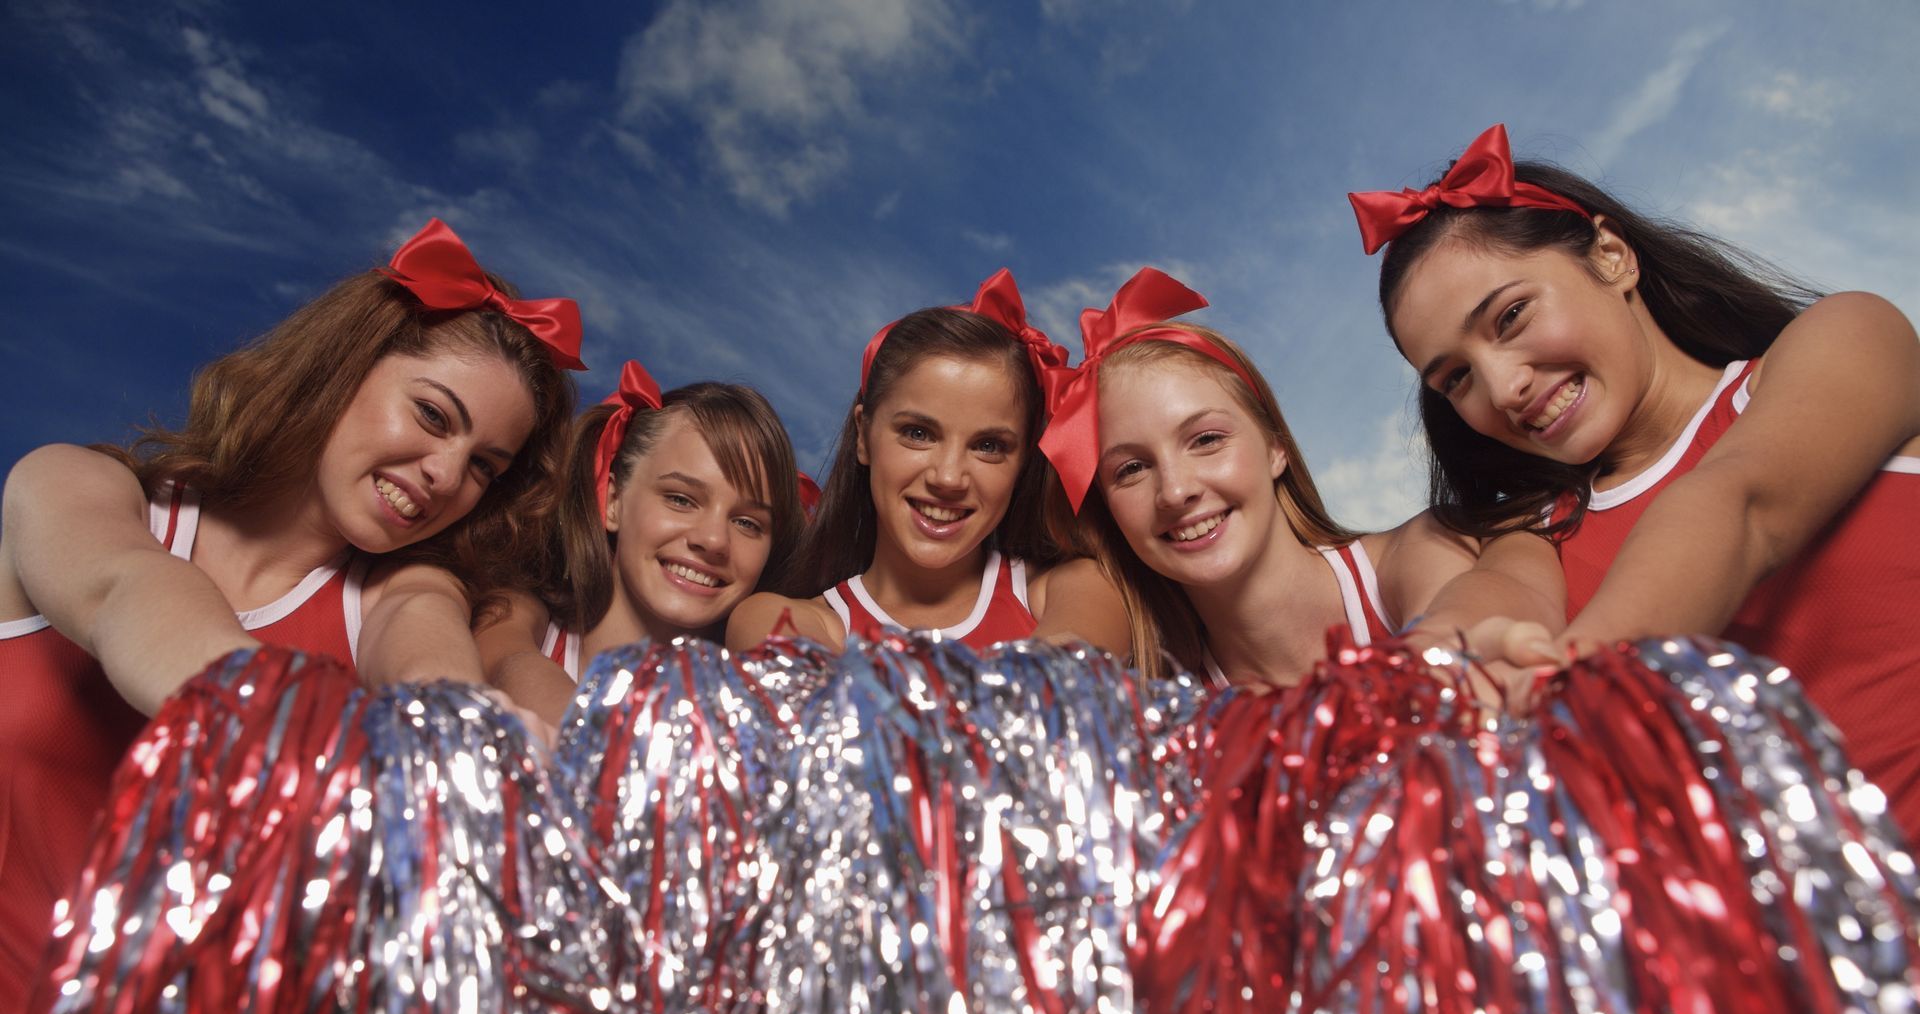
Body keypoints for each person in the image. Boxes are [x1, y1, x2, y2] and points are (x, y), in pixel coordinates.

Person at [0, 217, 582, 1014]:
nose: (448, 473)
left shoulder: (402, 591)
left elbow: (429, 670)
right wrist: (330, 745)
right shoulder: (79, 487)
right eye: (432, 416)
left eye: (485, 465)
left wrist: (471, 745)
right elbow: (124, 591)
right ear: (343, 372)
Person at [1356, 122, 1920, 840]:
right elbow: (1499, 596)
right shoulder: (1543, 527)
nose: (1500, 388)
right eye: (1456, 378)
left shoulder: (1845, 337)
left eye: (1512, 316)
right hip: (1800, 944)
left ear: (1613, 256)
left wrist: (1572, 685)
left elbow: (1738, 503)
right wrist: (1433, 663)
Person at [1038, 267, 1562, 684]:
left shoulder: (1408, 558)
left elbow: (1467, 609)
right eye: (1131, 469)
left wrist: (1445, 652)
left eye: (1206, 440)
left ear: (1275, 448)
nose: (1176, 491)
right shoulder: (1170, 699)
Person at [727, 269, 1129, 655]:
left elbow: (1056, 691)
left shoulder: (1077, 589)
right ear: (864, 435)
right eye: (918, 433)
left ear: (1023, 462)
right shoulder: (778, 619)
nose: (949, 477)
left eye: (988, 445)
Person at [475, 360, 804, 727]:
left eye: (747, 523)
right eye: (680, 499)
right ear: (613, 501)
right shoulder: (512, 622)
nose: (713, 540)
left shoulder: (749, 715)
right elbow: (504, 658)